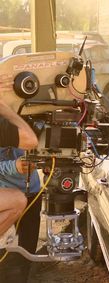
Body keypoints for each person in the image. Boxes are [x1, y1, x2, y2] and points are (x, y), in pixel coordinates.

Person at [0, 99, 39, 283]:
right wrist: (14, 167)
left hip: (32, 191)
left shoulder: (30, 107)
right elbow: (30, 140)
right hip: (5, 193)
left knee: (27, 251)